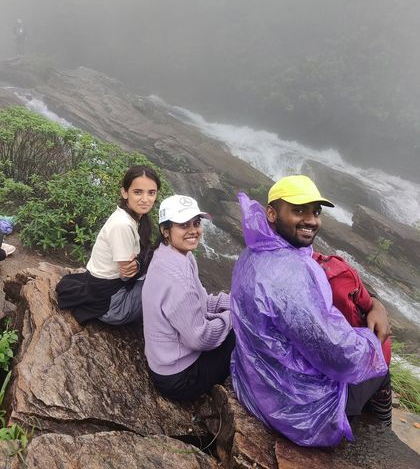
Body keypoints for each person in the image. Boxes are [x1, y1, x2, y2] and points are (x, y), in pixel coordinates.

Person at [230, 175, 391, 447]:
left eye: (315, 212)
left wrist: (376, 303)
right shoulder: (288, 276)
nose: (311, 220)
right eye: (299, 210)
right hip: (297, 408)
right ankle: (381, 428)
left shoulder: (255, 251)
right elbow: (339, 354)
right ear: (271, 213)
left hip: (255, 382)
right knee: (381, 352)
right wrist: (372, 339)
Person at [142, 194, 234, 401]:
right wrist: (233, 318)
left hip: (166, 360)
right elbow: (199, 338)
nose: (194, 230)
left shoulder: (173, 255)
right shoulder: (177, 278)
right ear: (165, 231)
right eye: (184, 225)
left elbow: (203, 300)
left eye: (196, 223)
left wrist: (238, 304)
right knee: (242, 334)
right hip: (179, 378)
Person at [57, 165, 160, 325]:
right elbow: (127, 274)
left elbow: (134, 267)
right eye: (138, 192)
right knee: (162, 284)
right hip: (111, 305)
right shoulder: (122, 225)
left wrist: (139, 262)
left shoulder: (134, 218)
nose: (145, 199)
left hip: (103, 289)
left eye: (151, 193)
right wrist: (143, 262)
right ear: (124, 192)